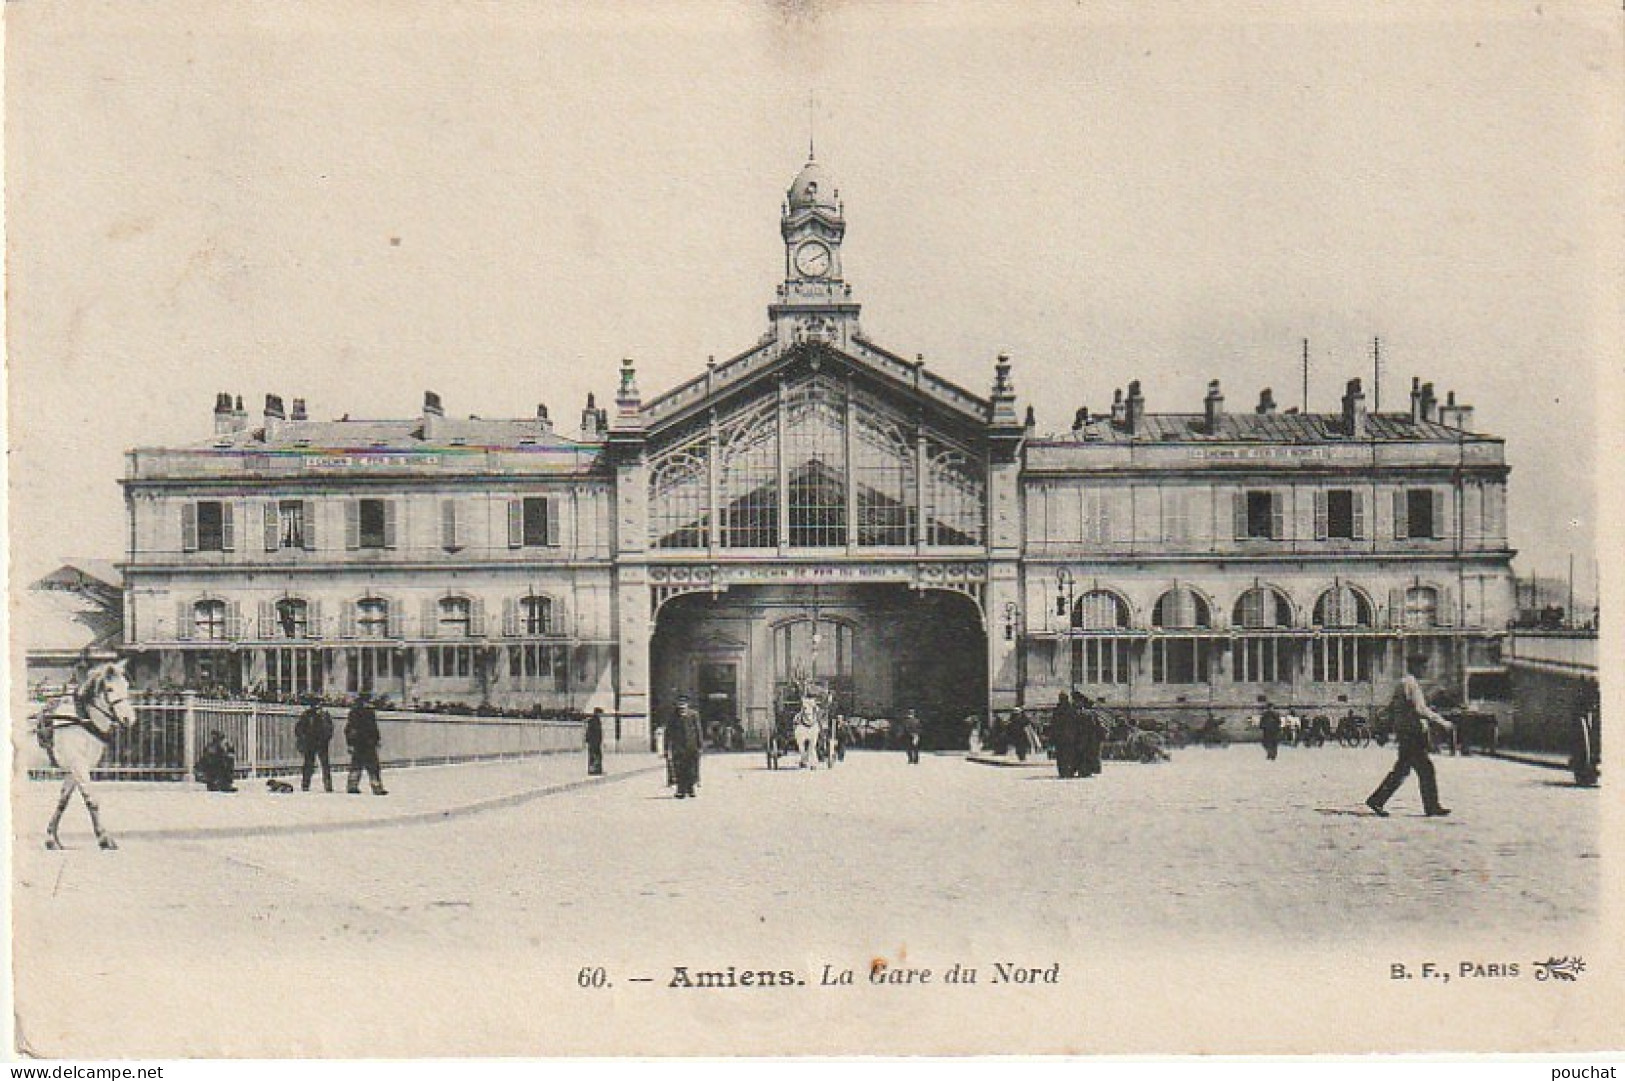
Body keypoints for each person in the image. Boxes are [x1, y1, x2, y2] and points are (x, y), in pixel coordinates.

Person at [1366, 655, 1453, 817]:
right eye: (1424, 667)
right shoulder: (1411, 685)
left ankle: (1377, 800)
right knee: (1426, 769)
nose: (1425, 670)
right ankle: (1431, 806)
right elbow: (1420, 709)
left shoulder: (1402, 684)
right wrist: (1441, 721)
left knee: (1402, 770)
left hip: (1405, 733)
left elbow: (1391, 708)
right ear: (1416, 667)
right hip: (1413, 734)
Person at [345, 693, 388, 796]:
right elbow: (373, 728)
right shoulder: (368, 712)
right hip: (367, 742)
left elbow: (349, 729)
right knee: (372, 766)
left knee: (356, 765)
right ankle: (376, 786)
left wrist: (350, 742)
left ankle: (352, 785)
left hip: (359, 743)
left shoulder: (354, 711)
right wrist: (376, 740)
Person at [294, 696, 335, 792]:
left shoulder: (324, 715)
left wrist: (326, 738)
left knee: (324, 765)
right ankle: (305, 784)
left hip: (321, 742)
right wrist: (303, 737)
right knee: (309, 764)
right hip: (311, 742)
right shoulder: (307, 715)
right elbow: (299, 728)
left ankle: (327, 785)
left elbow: (329, 728)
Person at [667, 694, 703, 798]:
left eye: (684, 704)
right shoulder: (673, 716)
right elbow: (668, 732)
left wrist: (700, 745)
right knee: (679, 769)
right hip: (677, 747)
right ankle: (680, 790)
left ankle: (691, 789)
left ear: (687, 705)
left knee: (691, 768)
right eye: (680, 704)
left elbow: (698, 730)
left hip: (692, 746)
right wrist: (666, 748)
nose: (682, 706)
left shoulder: (693, 715)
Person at [1051, 692, 1080, 779]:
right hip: (1070, 737)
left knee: (1061, 755)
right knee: (1069, 755)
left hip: (1061, 737)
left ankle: (1063, 772)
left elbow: (1054, 724)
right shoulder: (1071, 709)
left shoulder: (1058, 710)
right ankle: (1069, 771)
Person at [1077, 695, 1105, 777]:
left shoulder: (1083, 714)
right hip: (1091, 738)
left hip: (1084, 737)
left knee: (1084, 754)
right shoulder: (1093, 714)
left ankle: (1084, 770)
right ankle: (1088, 770)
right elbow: (1097, 725)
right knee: (1090, 754)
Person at [585, 707, 605, 776]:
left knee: (596, 756)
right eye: (600, 713)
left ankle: (596, 770)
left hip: (596, 741)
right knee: (594, 756)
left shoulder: (596, 720)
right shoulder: (593, 721)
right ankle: (594, 770)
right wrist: (589, 740)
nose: (601, 715)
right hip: (594, 741)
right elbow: (590, 731)